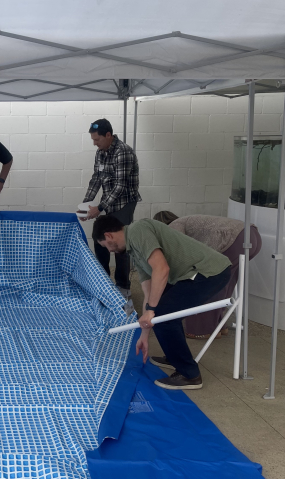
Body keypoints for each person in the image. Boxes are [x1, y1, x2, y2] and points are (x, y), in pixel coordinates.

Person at [93, 216, 231, 390]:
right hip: (189, 275)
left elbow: (162, 268)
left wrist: (152, 311)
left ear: (109, 235)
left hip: (208, 271)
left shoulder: (137, 230)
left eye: (105, 245)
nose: (110, 251)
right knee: (159, 312)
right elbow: (149, 294)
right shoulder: (134, 251)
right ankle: (174, 355)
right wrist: (144, 334)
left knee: (163, 315)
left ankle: (190, 375)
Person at [153, 211, 262, 339]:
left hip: (234, 239)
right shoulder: (188, 221)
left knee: (206, 283)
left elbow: (180, 257)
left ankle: (202, 329)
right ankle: (219, 326)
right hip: (252, 235)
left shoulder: (172, 227)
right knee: (225, 284)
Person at [82, 119, 141, 299]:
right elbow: (96, 178)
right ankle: (104, 282)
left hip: (124, 203)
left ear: (109, 135)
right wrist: (86, 204)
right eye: (93, 140)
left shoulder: (123, 152)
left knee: (120, 244)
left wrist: (99, 208)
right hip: (108, 201)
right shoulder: (101, 152)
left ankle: (123, 287)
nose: (95, 144)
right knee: (100, 239)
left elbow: (120, 186)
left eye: (97, 140)